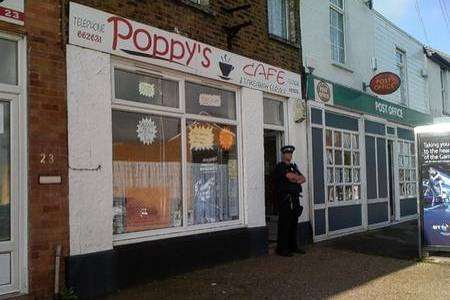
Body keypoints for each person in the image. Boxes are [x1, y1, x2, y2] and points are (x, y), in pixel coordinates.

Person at [274, 145, 306, 257]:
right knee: (285, 224)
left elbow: (303, 178)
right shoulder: (280, 167)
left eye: (291, 153)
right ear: (283, 154)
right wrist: (295, 178)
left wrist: (295, 178)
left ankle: (293, 246)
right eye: (287, 153)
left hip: (295, 199)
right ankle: (282, 248)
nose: (290, 155)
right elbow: (289, 176)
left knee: (293, 223)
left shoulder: (294, 166)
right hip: (285, 200)